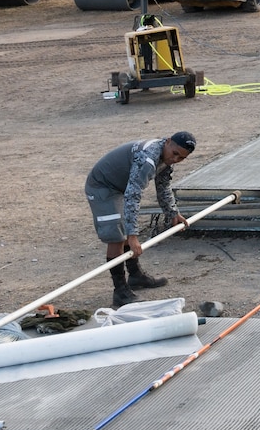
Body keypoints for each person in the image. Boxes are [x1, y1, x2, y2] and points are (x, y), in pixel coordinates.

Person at [84, 132, 195, 309]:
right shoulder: (148, 159)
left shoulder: (165, 158)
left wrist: (172, 213)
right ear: (167, 142)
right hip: (102, 187)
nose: (175, 159)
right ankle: (120, 292)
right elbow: (133, 195)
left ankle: (135, 276)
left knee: (122, 232)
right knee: (117, 237)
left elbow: (164, 186)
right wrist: (132, 234)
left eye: (181, 158)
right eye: (174, 153)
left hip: (120, 187)